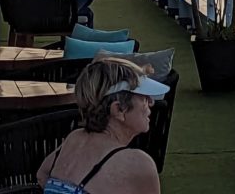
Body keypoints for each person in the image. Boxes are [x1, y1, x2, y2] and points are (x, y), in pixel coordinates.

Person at [37, 57, 166, 193]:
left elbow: (41, 175)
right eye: (143, 97)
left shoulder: (75, 138)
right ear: (118, 110)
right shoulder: (138, 164)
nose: (151, 102)